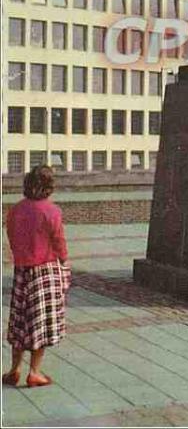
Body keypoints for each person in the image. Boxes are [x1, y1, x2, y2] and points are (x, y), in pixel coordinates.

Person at [2, 165, 70, 388]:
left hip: (22, 271)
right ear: (49, 187)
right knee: (40, 322)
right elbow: (59, 241)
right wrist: (64, 260)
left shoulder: (15, 210)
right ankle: (34, 372)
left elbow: (11, 234)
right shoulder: (51, 211)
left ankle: (14, 369)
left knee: (20, 320)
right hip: (46, 270)